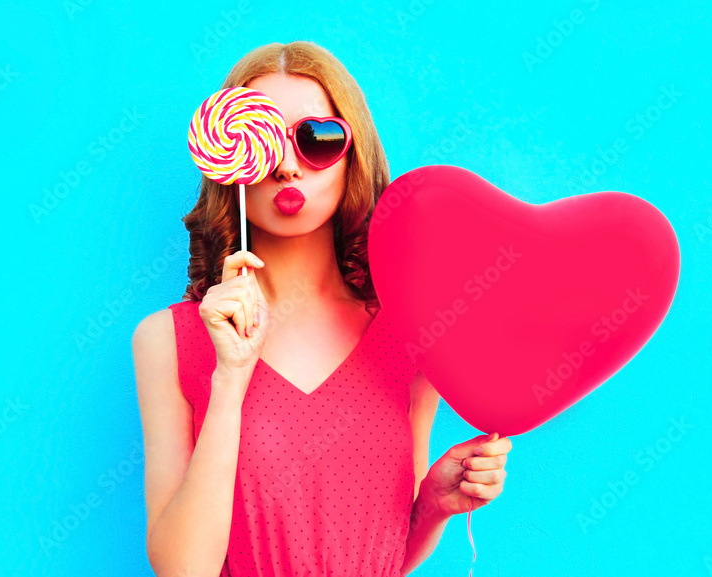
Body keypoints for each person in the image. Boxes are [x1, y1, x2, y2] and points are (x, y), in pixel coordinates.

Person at [132, 40, 512, 577]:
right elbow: (181, 569)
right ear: (228, 156)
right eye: (263, 142)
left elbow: (388, 555)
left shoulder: (411, 331)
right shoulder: (167, 341)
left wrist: (433, 505)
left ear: (351, 155)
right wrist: (230, 379)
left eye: (317, 139)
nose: (288, 167)